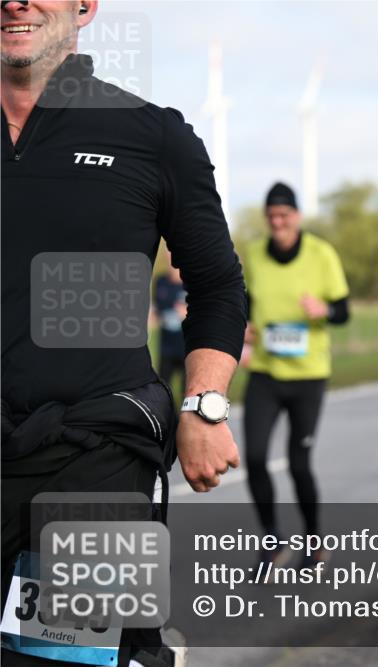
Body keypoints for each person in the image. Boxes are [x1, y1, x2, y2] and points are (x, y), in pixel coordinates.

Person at [2, 3, 247, 664]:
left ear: (85, 5)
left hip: (95, 451)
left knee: (59, 658)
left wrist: (203, 404)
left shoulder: (152, 135)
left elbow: (219, 286)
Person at [242, 183, 350, 569]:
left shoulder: (321, 254)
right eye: (271, 215)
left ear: (297, 217)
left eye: (284, 215)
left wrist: (324, 310)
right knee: (253, 456)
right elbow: (246, 304)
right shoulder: (254, 255)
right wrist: (243, 334)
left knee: (298, 463)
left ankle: (315, 542)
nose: (277, 222)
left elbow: (343, 311)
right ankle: (272, 543)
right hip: (266, 372)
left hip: (308, 374)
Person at [153, 255, 188, 395]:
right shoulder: (161, 282)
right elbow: (157, 311)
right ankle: (165, 416)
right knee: (163, 388)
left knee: (187, 390)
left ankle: (183, 416)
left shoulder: (192, 282)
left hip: (186, 347)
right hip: (166, 347)